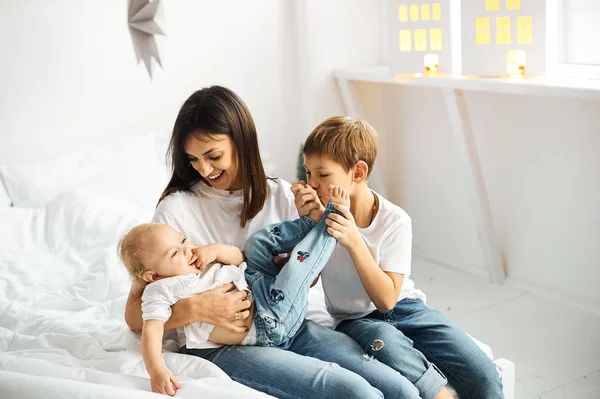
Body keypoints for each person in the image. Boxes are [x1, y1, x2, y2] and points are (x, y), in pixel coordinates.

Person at [124, 86, 420, 398]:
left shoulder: (281, 194)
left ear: (242, 143)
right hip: (225, 343)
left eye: (213, 156)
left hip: (291, 323)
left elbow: (310, 276)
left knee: (400, 390)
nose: (204, 169)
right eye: (193, 159)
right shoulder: (176, 209)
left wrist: (302, 244)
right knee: (357, 393)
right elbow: (134, 314)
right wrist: (196, 308)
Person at [292, 116, 505, 399]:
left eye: (323, 175)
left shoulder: (395, 220)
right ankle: (441, 395)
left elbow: (387, 300)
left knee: (482, 371)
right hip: (357, 319)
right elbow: (306, 281)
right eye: (308, 174)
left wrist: (354, 239)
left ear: (358, 173)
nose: (313, 184)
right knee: (390, 345)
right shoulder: (320, 217)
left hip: (407, 308)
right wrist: (313, 228)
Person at [120, 188, 349, 395]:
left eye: (183, 240)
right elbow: (151, 331)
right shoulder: (160, 290)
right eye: (174, 253)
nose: (187, 249)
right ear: (154, 275)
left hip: (259, 288)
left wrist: (216, 251)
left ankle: (309, 224)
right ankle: (331, 224)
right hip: (268, 322)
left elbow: (240, 259)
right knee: (295, 271)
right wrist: (156, 370)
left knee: (257, 242)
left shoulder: (198, 260)